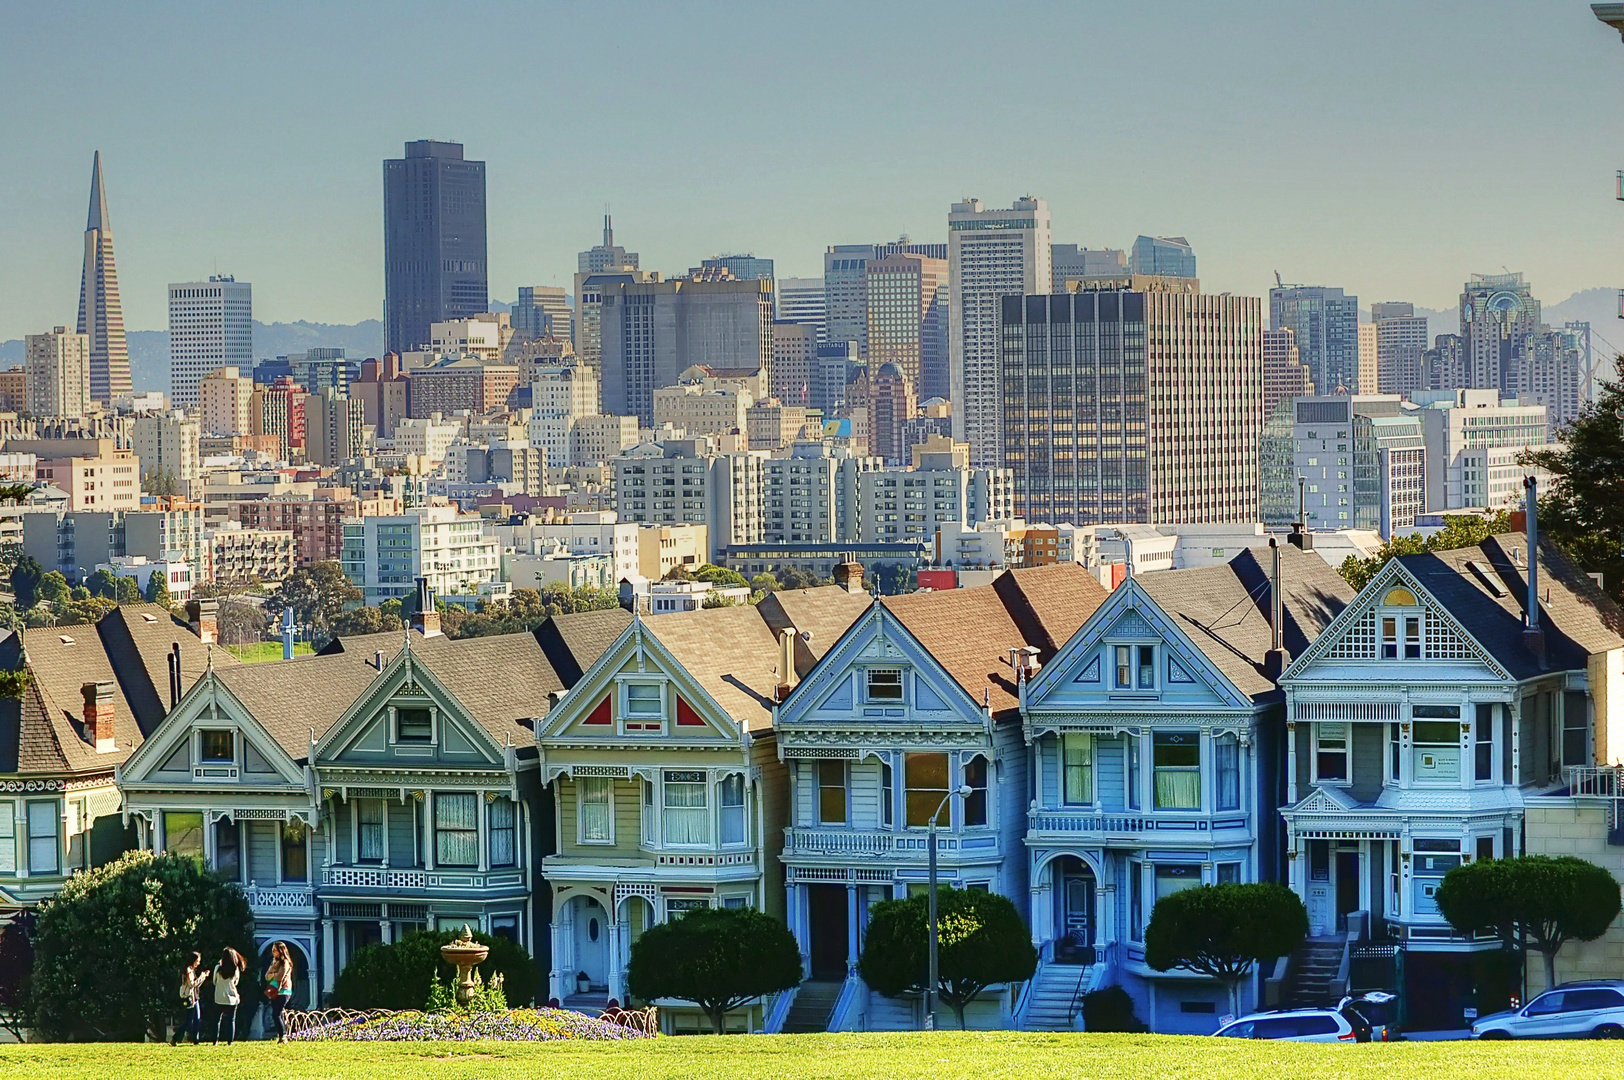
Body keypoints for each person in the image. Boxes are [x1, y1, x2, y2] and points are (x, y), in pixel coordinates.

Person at [210, 947, 245, 1045]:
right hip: (232, 998)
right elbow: (236, 982)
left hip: (219, 997)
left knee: (216, 1020)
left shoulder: (218, 968)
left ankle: (215, 1041)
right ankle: (230, 1041)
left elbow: (214, 981)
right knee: (231, 1020)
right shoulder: (235, 969)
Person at [171, 952, 208, 1046]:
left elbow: (196, 985)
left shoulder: (191, 970)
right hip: (190, 998)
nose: (198, 963)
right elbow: (192, 985)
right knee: (189, 1021)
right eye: (197, 961)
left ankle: (196, 1040)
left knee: (197, 1019)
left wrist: (203, 978)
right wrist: (202, 976)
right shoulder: (188, 970)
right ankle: (175, 1038)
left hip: (194, 997)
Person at [264, 941, 295, 1044]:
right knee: (278, 1013)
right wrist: (273, 972)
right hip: (274, 990)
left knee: (276, 1014)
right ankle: (282, 1035)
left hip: (283, 990)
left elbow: (280, 976)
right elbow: (267, 976)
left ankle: (283, 1036)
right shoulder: (274, 962)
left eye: (275, 950)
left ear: (280, 951)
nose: (273, 952)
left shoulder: (285, 962)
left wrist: (273, 973)